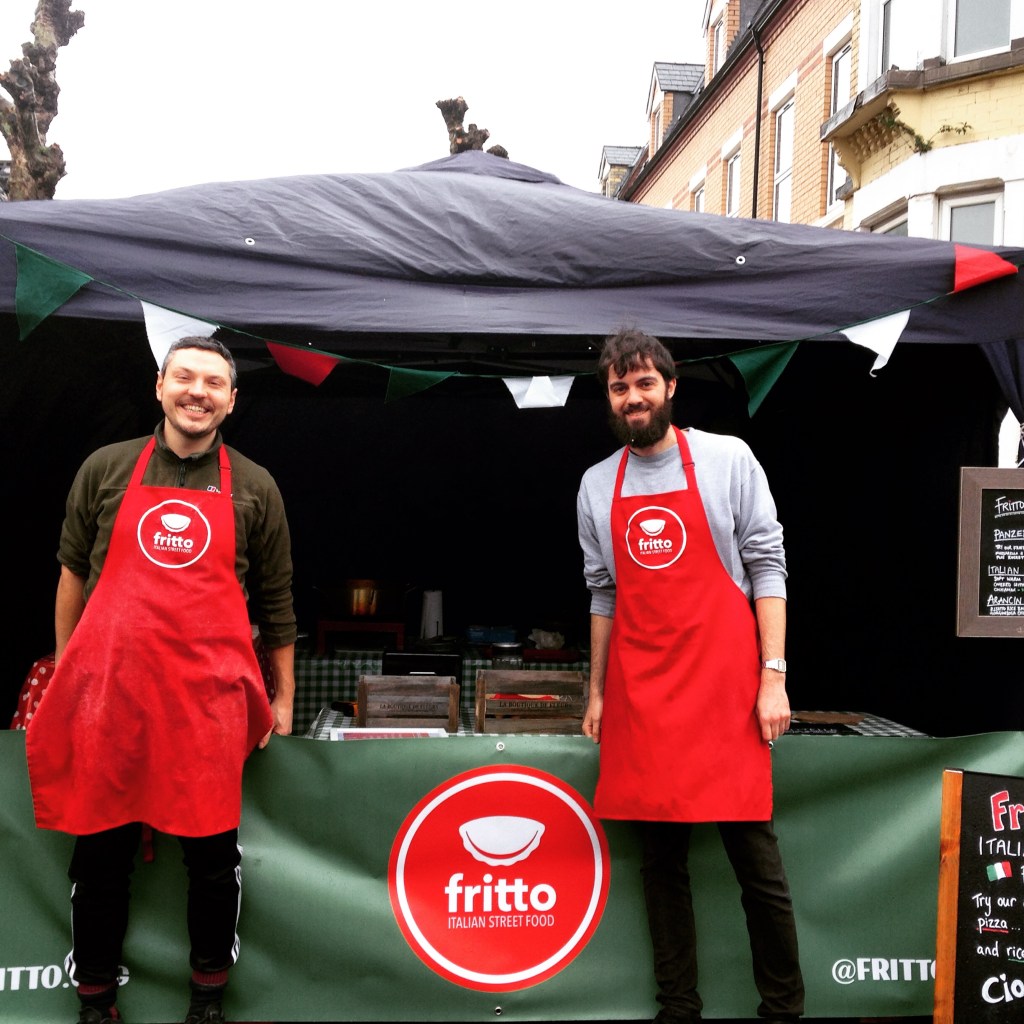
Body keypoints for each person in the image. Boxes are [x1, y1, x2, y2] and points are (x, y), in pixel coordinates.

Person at [25, 336, 297, 1024]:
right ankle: (96, 1001)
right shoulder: (106, 467)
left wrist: (285, 697)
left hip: (206, 704)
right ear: (159, 385)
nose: (197, 392)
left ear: (231, 400)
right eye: (184, 377)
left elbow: (277, 602)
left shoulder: (255, 485)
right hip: (110, 699)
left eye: (213, 382)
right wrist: (67, 669)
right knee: (100, 856)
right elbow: (72, 573)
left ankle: (207, 999)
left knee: (212, 861)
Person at [576, 328, 804, 1024]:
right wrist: (596, 692)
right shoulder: (596, 485)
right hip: (644, 694)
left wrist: (773, 675)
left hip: (726, 689)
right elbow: (603, 594)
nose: (633, 397)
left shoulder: (728, 459)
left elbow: (768, 566)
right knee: (661, 867)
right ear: (609, 397)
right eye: (620, 387)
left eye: (645, 383)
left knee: (757, 864)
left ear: (671, 387)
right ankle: (679, 1009)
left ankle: (784, 1010)